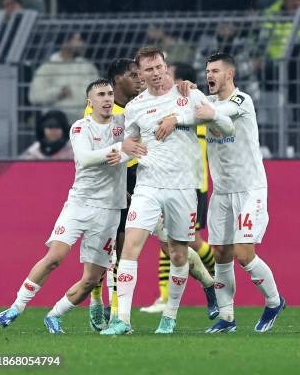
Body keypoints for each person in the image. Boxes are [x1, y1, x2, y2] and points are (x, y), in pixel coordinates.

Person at [100, 46, 232, 335]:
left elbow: (216, 119)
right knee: (131, 248)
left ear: (166, 66)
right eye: (149, 70)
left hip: (183, 187)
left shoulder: (189, 95)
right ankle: (122, 319)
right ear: (142, 74)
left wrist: (177, 118)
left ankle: (169, 316)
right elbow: (131, 144)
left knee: (179, 254)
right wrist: (119, 153)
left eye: (159, 67)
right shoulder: (135, 106)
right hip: (148, 185)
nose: (156, 73)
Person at [0, 79, 131, 333]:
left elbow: (137, 144)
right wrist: (120, 149)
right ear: (89, 101)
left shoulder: (123, 125)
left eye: (110, 94)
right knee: (54, 257)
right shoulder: (81, 127)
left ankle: (55, 315)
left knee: (92, 278)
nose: (107, 99)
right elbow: (85, 158)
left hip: (110, 209)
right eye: (100, 94)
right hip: (80, 204)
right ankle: (16, 307)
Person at [191, 52, 286, 333]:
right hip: (222, 191)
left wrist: (203, 109)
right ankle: (227, 317)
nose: (210, 75)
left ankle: (274, 300)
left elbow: (221, 114)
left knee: (243, 253)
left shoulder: (242, 100)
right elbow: (192, 111)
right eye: (208, 70)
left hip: (250, 189)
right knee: (220, 253)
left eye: (216, 71)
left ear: (229, 74)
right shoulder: (205, 102)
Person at [141, 63, 218, 319]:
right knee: (168, 241)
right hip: (168, 182)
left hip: (193, 184)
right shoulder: (164, 103)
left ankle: (216, 278)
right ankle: (166, 296)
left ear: (181, 80)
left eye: (167, 73)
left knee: (187, 242)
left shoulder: (193, 102)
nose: (161, 77)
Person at [84, 58, 141, 330]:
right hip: (106, 180)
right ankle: (96, 298)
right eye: (133, 75)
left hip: (132, 176)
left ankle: (117, 312)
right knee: (103, 250)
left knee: (120, 249)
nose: (139, 79)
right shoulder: (97, 110)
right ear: (118, 79)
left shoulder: (138, 105)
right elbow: (97, 154)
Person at [28, 32, 100, 121]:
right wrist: (59, 92)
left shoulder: (88, 66)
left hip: (85, 120)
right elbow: (34, 96)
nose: (81, 44)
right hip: (58, 122)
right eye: (76, 40)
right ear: (64, 43)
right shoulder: (48, 68)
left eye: (81, 40)